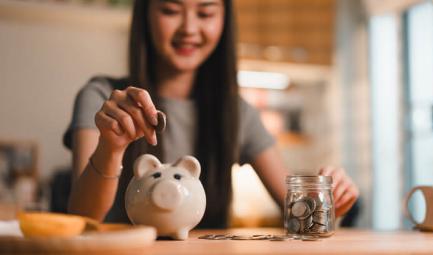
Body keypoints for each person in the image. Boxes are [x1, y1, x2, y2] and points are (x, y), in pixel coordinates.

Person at [63, 0, 359, 228]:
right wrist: (111, 148)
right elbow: (82, 218)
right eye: (170, 10)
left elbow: (298, 211)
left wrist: (328, 203)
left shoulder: (237, 113)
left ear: (224, 19)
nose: (189, 28)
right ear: (145, 15)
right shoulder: (104, 99)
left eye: (205, 13)